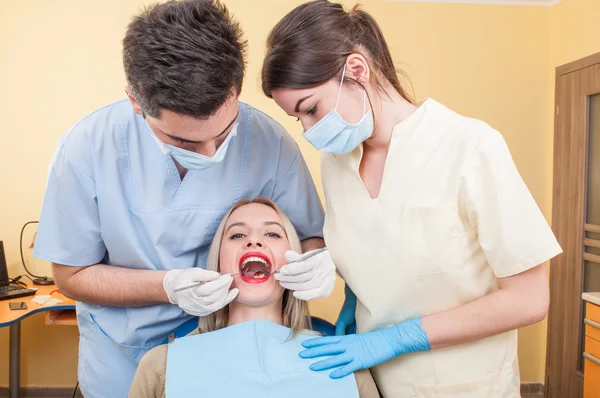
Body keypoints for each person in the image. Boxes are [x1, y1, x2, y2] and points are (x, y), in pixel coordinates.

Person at [32, 1, 336, 397]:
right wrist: (167, 286)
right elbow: (70, 276)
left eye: (225, 132)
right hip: (123, 354)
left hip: (233, 355)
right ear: (135, 102)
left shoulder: (270, 142)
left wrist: (317, 261)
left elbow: (309, 237)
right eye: (183, 141)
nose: (211, 155)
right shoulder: (87, 149)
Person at [261, 1, 562, 397]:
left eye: (312, 110)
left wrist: (394, 338)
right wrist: (349, 292)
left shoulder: (469, 147)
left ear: (357, 70)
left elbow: (528, 300)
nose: (308, 130)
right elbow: (382, 251)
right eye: (297, 119)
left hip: (463, 385)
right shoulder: (337, 164)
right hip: (374, 382)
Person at [129, 198, 379, 398]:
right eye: (237, 235)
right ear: (217, 263)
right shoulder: (161, 365)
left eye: (272, 234)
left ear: (297, 262)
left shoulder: (346, 362)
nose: (254, 240)